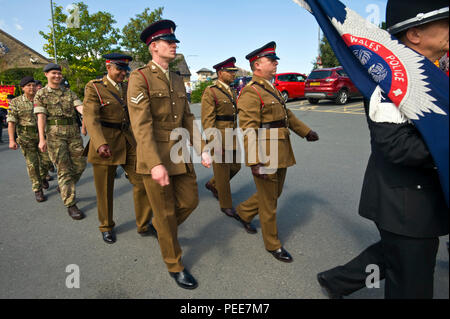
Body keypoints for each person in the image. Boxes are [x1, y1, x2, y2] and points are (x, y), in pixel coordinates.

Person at [316, 0, 449, 299]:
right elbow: (397, 147)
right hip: (405, 202)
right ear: (415, 34)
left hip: (421, 199)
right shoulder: (389, 80)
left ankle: (336, 282)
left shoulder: (434, 70)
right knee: (411, 282)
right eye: (445, 22)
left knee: (396, 255)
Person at [127, 19, 211, 290]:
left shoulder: (176, 78)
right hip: (156, 156)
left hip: (179, 152)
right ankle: (175, 264)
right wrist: (154, 164)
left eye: (175, 41)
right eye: (169, 42)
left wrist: (202, 148)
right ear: (154, 47)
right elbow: (141, 126)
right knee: (164, 213)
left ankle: (162, 229)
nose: (175, 46)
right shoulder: (139, 78)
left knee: (190, 201)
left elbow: (187, 117)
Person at [235, 41, 319, 262]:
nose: (275, 62)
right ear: (256, 65)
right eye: (270, 60)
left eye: (275, 59)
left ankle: (243, 212)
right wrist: (255, 161)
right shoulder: (250, 92)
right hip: (265, 153)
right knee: (269, 201)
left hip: (280, 149)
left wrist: (306, 131)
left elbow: (287, 115)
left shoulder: (270, 87)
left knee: (274, 193)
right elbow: (248, 130)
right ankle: (273, 244)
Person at [83, 53, 154, 244]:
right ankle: (106, 226)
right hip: (105, 143)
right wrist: (99, 143)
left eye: (125, 69)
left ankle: (144, 223)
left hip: (128, 141)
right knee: (105, 189)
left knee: (142, 181)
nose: (123, 73)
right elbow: (91, 117)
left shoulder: (128, 87)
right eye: (119, 69)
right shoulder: (95, 87)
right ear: (108, 67)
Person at [34, 63, 87, 220]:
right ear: (46, 75)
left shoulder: (69, 93)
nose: (57, 76)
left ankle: (64, 187)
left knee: (80, 164)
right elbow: (41, 117)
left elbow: (80, 107)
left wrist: (89, 111)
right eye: (53, 73)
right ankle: (70, 204)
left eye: (59, 73)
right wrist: (42, 139)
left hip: (73, 133)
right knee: (63, 169)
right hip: (54, 136)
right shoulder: (41, 94)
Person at [201, 57, 241, 217]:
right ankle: (226, 205)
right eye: (230, 71)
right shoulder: (211, 91)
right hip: (219, 137)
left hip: (232, 135)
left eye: (234, 71)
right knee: (223, 173)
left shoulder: (231, 90)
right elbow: (207, 120)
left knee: (236, 166)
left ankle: (212, 184)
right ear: (220, 73)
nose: (233, 74)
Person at [6, 76, 51, 202]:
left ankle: (42, 178)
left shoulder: (42, 100)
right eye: (28, 86)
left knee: (47, 161)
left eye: (33, 85)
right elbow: (11, 122)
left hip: (43, 135)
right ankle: (37, 189)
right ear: (22, 88)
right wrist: (11, 140)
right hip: (26, 137)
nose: (31, 88)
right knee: (32, 164)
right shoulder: (15, 102)